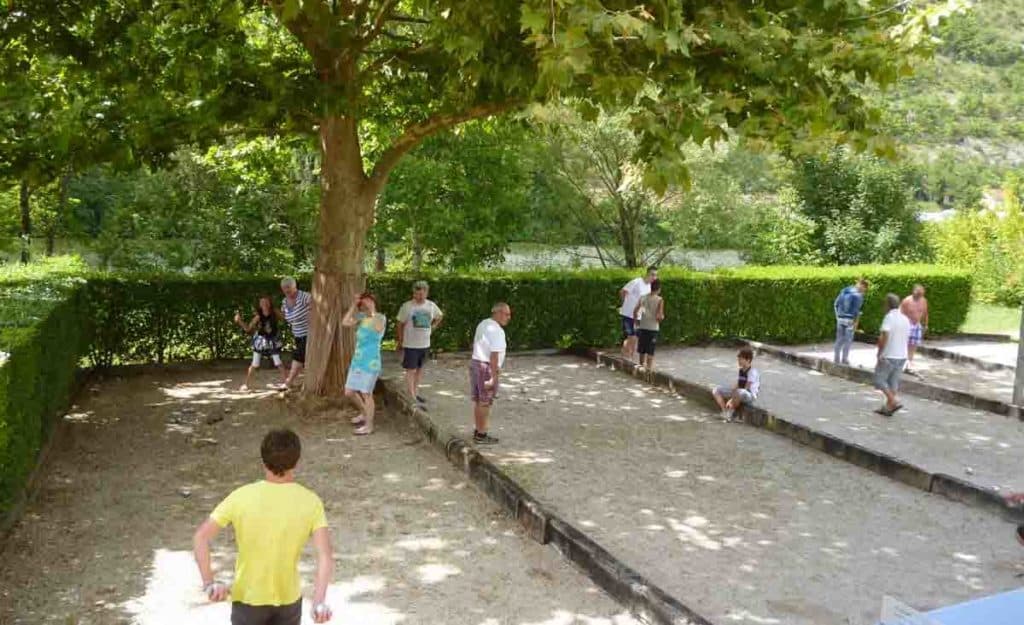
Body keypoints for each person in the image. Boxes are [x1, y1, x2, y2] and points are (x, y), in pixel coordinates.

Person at [192, 429, 334, 625]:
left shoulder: (240, 496)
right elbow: (325, 555)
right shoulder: (311, 502)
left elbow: (201, 537)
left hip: (248, 599)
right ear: (297, 461)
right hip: (289, 601)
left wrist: (209, 583)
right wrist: (318, 601)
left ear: (263, 460)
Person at [342, 291, 386, 436]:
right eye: (364, 302)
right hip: (358, 360)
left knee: (366, 393)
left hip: (371, 362)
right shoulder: (361, 317)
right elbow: (345, 322)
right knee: (349, 392)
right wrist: (354, 305)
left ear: (374, 302)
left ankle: (369, 425)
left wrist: (371, 311)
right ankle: (364, 413)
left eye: (369, 301)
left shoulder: (380, 317)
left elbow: (378, 329)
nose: (366, 304)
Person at [396, 281, 444, 409]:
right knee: (410, 370)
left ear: (427, 293)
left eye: (423, 293)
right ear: (413, 293)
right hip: (410, 344)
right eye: (417, 293)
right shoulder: (407, 306)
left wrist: (432, 327)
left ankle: (415, 392)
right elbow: (399, 324)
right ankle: (411, 396)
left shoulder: (431, 306)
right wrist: (400, 341)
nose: (420, 296)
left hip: (424, 344)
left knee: (419, 370)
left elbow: (440, 316)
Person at [470, 303, 511, 446]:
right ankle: (481, 434)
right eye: (506, 314)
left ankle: (478, 430)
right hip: (486, 367)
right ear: (498, 313)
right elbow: (494, 355)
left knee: (479, 400)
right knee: (485, 401)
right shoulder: (497, 330)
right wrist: (494, 376)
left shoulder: (483, 323)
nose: (508, 317)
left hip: (476, 363)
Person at [234, 295, 287, 392]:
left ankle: (286, 384)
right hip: (261, 341)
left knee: (278, 362)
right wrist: (240, 321)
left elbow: (285, 318)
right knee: (255, 364)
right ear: (260, 305)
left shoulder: (275, 312)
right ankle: (246, 384)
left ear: (270, 303)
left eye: (266, 302)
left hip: (273, 340)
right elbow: (248, 329)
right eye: (262, 303)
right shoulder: (258, 316)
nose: (265, 305)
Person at [874, 293, 911, 416]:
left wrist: (879, 353)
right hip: (902, 355)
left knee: (879, 380)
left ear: (887, 305)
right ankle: (888, 408)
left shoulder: (889, 317)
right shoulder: (905, 319)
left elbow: (884, 336)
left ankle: (893, 400)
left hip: (890, 354)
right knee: (893, 382)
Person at [619, 266, 658, 362]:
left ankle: (628, 356)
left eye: (656, 275)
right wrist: (625, 304)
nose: (654, 277)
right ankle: (626, 357)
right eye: (652, 274)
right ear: (647, 274)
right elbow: (623, 292)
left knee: (635, 338)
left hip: (639, 316)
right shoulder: (636, 282)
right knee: (631, 336)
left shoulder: (649, 287)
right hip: (628, 314)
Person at [712, 346, 761, 422]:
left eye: (741, 359)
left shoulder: (752, 372)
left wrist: (731, 399)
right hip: (739, 392)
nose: (739, 361)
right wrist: (732, 391)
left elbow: (746, 388)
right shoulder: (741, 370)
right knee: (716, 390)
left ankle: (730, 412)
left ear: (748, 360)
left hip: (749, 395)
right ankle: (725, 412)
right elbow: (739, 383)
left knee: (740, 392)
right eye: (738, 359)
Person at [280, 277, 312, 390]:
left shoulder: (304, 296)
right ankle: (307, 383)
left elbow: (317, 307)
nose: (286, 290)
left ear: (295, 286)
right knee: (305, 360)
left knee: (298, 358)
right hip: (297, 335)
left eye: (288, 287)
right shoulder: (284, 301)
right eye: (284, 288)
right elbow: (285, 315)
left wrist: (311, 313)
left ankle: (289, 382)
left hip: (309, 334)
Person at [833, 278, 869, 365]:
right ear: (862, 286)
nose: (864, 290)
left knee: (839, 340)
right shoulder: (858, 295)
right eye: (865, 288)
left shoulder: (844, 290)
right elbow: (856, 311)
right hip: (850, 320)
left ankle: (836, 359)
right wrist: (856, 322)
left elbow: (835, 304)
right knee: (848, 340)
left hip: (840, 318)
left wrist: (837, 316)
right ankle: (844, 359)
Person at [632, 279, 664, 370]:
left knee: (642, 350)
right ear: (659, 289)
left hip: (642, 326)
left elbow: (635, 311)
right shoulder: (660, 300)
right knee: (650, 351)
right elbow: (659, 316)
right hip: (653, 328)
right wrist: (662, 317)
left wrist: (636, 322)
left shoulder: (643, 297)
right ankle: (649, 370)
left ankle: (641, 368)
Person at [900, 284, 929, 375]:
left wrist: (925, 324)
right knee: (903, 344)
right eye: (919, 293)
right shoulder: (907, 301)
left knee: (913, 345)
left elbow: (925, 313)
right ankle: (901, 363)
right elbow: (900, 313)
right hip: (907, 325)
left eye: (922, 294)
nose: (920, 295)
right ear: (914, 291)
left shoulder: (924, 301)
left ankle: (909, 363)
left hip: (917, 325)